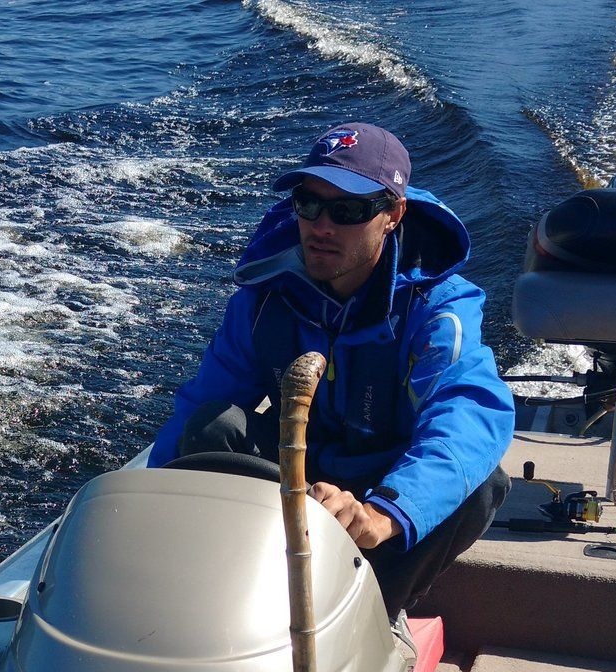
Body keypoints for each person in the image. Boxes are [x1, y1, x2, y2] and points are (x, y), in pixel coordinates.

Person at [150, 122, 514, 621]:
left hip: (388, 484)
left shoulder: (438, 308)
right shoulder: (263, 298)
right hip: (300, 468)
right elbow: (204, 399)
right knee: (213, 426)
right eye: (309, 204)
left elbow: (468, 413)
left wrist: (383, 514)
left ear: (393, 214)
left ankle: (379, 617)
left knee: (480, 485)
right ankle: (223, 604)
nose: (321, 227)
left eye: (347, 211)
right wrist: (148, 510)